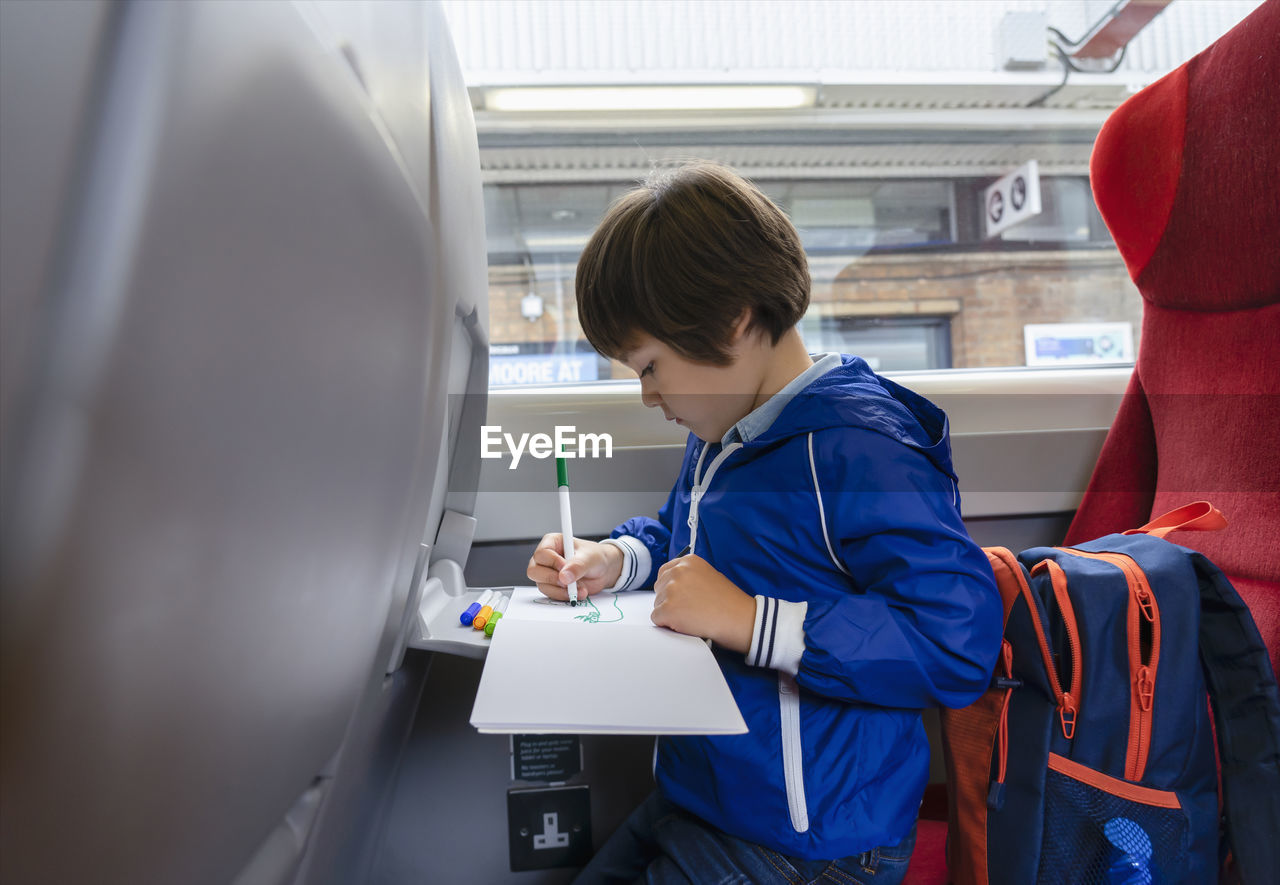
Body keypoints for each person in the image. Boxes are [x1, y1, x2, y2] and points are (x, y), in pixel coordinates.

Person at [526, 162, 1002, 884]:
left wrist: (752, 620)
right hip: (708, 793)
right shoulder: (724, 429)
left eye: (651, 365)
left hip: (812, 840)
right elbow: (682, 538)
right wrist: (617, 558)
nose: (648, 393)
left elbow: (955, 637)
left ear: (732, 319)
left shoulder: (858, 445)